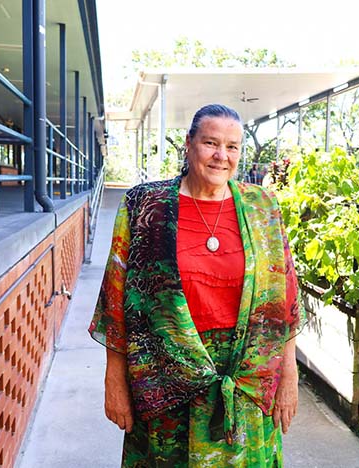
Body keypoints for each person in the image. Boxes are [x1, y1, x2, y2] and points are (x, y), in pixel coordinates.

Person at [89, 103, 303, 467]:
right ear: (189, 144)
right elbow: (116, 298)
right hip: (165, 381)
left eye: (232, 146)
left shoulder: (261, 206)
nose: (222, 156)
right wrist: (115, 380)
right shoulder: (145, 205)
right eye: (210, 143)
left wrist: (289, 378)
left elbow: (284, 301)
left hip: (246, 381)